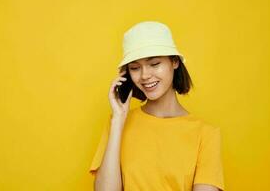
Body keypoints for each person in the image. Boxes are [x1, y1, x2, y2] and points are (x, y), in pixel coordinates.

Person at [89, 21, 225, 191]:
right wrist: (118, 121)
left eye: (154, 64)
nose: (145, 75)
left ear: (174, 62)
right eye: (135, 68)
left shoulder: (206, 134)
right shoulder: (117, 123)